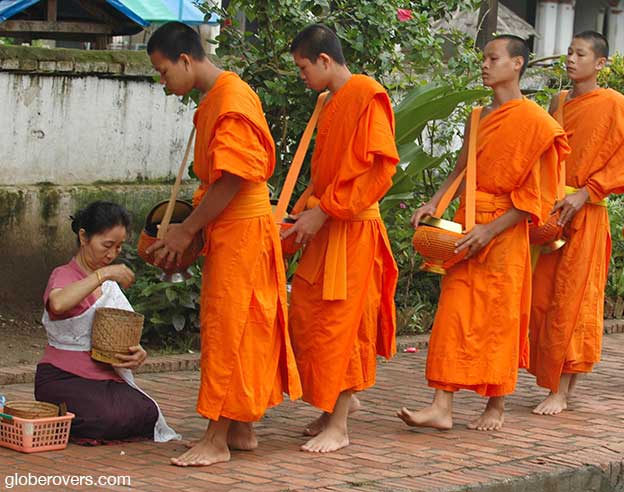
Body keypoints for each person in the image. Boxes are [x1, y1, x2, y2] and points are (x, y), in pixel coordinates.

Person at [146, 21, 301, 466]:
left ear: (185, 59)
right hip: (234, 228)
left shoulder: (231, 97)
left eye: (162, 71)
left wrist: (187, 228)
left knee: (230, 329)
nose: (163, 81)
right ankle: (241, 427)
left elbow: (233, 176)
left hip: (242, 228)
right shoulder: (215, 99)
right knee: (244, 324)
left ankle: (216, 438)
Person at [397, 35, 569, 431]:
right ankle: (442, 404)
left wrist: (490, 231)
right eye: (485, 59)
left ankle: (496, 405)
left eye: (494, 58)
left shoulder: (537, 123)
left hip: (504, 231)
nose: (486, 65)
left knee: (499, 317)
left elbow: (532, 199)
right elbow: (461, 168)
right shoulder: (478, 116)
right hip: (467, 223)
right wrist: (434, 204)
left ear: (518, 64)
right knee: (453, 313)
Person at [281, 24, 399, 453]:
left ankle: (341, 425)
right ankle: (331, 409)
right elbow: (324, 175)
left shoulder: (367, 94)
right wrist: (302, 213)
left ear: (325, 60)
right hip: (328, 225)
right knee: (311, 318)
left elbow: (378, 171)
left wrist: (326, 210)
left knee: (343, 326)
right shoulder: (328, 102)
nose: (302, 76)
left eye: (303, 67)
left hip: (353, 230)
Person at [528, 31, 624, 415]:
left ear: (600, 64)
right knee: (542, 299)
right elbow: (542, 153)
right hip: (552, 214)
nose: (571, 59)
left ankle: (563, 389)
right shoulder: (558, 101)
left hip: (587, 212)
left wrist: (587, 192)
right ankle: (549, 378)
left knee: (574, 302)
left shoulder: (612, 103)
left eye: (581, 54)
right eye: (569, 52)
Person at [35, 201, 179, 444]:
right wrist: (103, 274)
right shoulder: (64, 275)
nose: (112, 255)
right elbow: (57, 304)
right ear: (84, 237)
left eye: (119, 247)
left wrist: (137, 354)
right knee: (105, 416)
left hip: (105, 379)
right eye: (107, 245)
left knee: (147, 412)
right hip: (62, 377)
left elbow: (123, 337)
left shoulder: (108, 286)